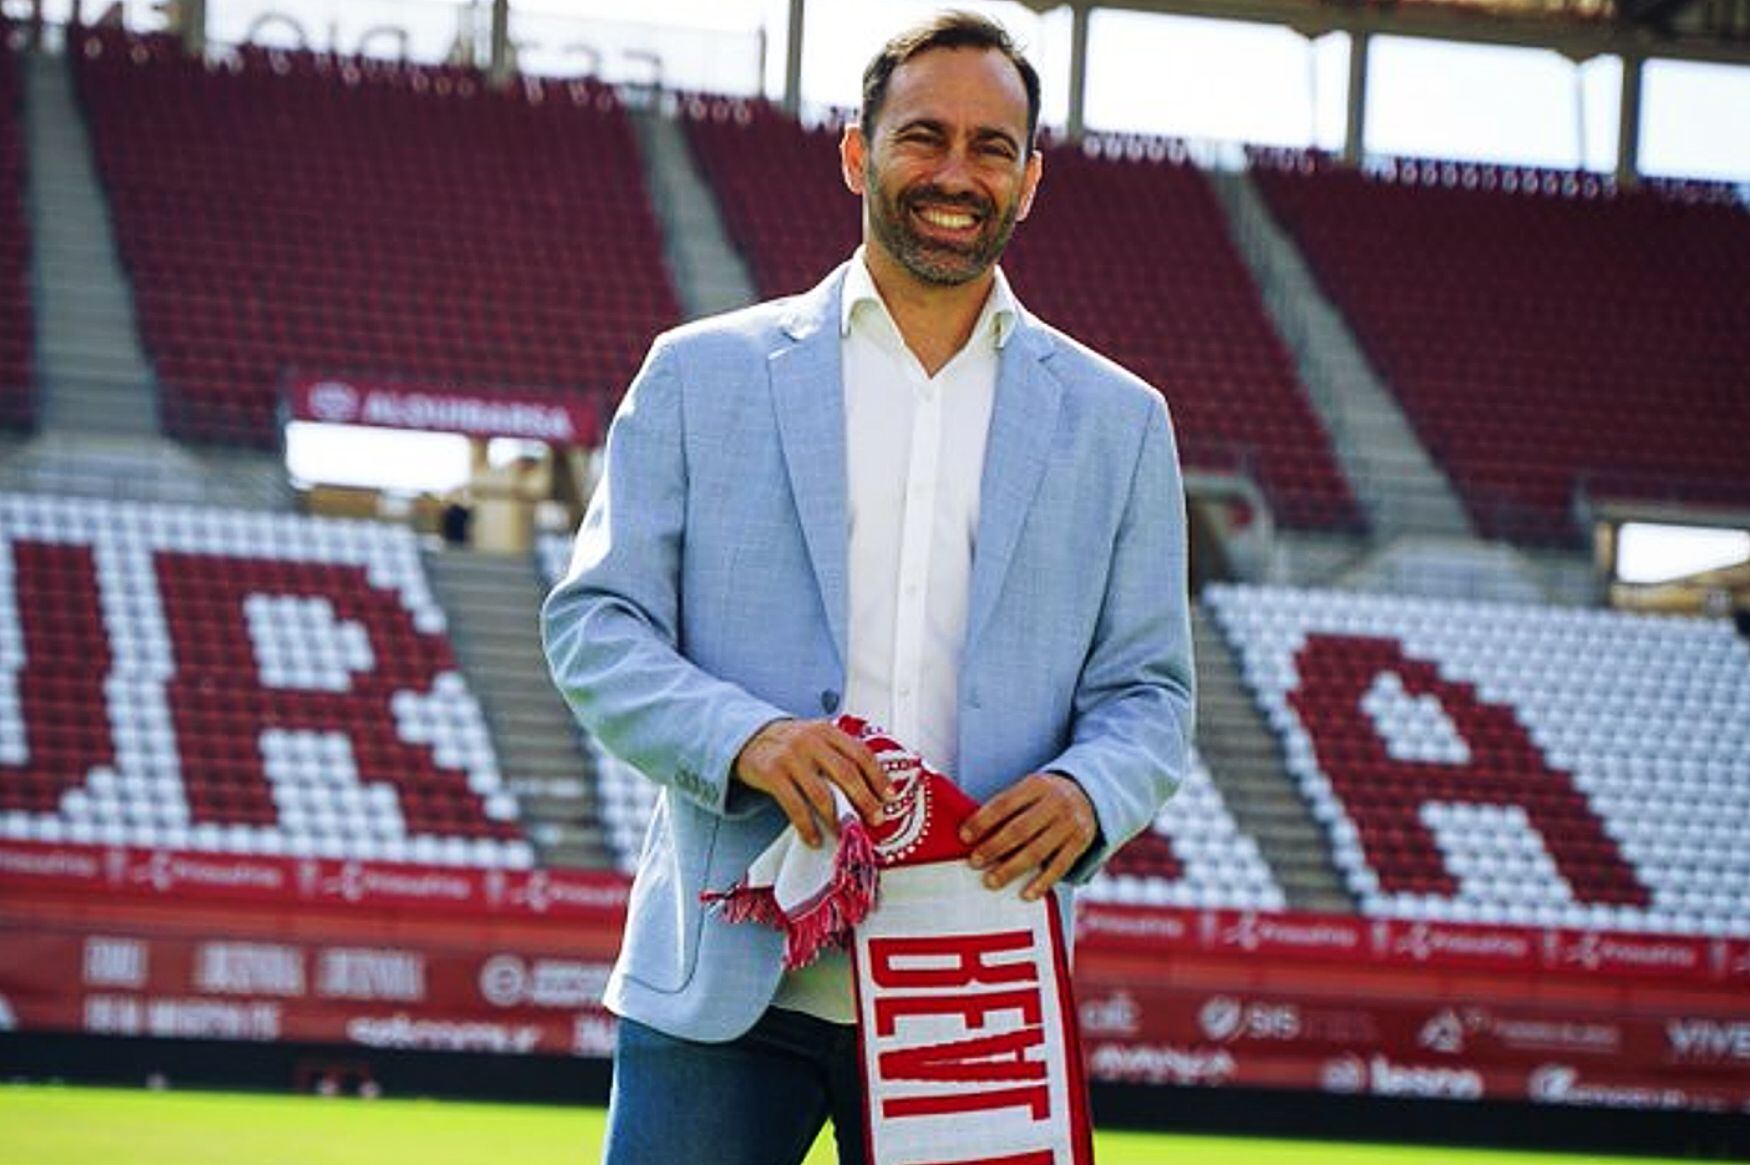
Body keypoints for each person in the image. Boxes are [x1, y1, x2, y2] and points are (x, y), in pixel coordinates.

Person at [542, 11, 1194, 1164]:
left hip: (978, 991)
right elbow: (597, 625)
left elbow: (1150, 692)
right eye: (923, 136)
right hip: (727, 977)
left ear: (1030, 179)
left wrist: (1088, 791)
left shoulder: (1120, 422)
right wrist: (748, 739)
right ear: (857, 152)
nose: (955, 174)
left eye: (991, 148)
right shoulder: (699, 374)